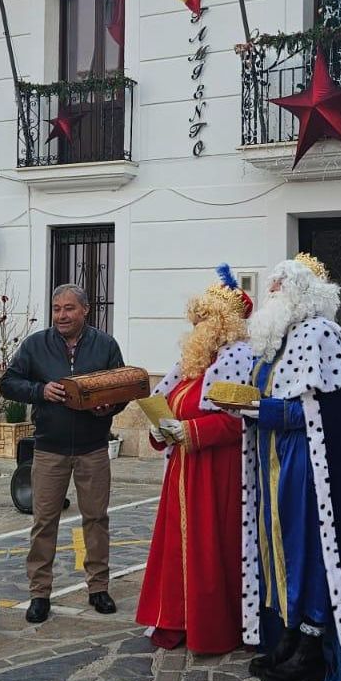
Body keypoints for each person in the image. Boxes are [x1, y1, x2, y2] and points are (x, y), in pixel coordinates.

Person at [241, 254, 341, 681]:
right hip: (278, 457)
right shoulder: (279, 338)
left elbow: (320, 410)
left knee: (311, 547)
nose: (270, 293)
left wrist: (261, 410)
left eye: (277, 286)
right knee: (283, 545)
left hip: (306, 460)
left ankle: (315, 642)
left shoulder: (319, 334)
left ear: (298, 293)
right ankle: (290, 633)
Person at [135, 265, 256, 654]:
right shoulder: (191, 367)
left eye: (204, 318)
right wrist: (160, 428)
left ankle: (210, 626)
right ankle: (176, 618)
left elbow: (242, 423)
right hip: (183, 470)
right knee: (177, 548)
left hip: (216, 473)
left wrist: (191, 432)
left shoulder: (239, 361)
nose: (197, 325)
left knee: (209, 549)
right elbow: (170, 405)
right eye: (196, 318)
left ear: (222, 323)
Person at [0, 283, 126, 625]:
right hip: (49, 449)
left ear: (85, 310)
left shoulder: (105, 345)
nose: (61, 315)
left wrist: (109, 406)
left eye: (68, 308)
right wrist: (41, 391)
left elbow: (121, 388)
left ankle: (98, 588)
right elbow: (8, 383)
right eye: (56, 309)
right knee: (44, 522)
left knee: (96, 519)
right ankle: (39, 594)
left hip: (93, 448)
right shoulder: (35, 345)